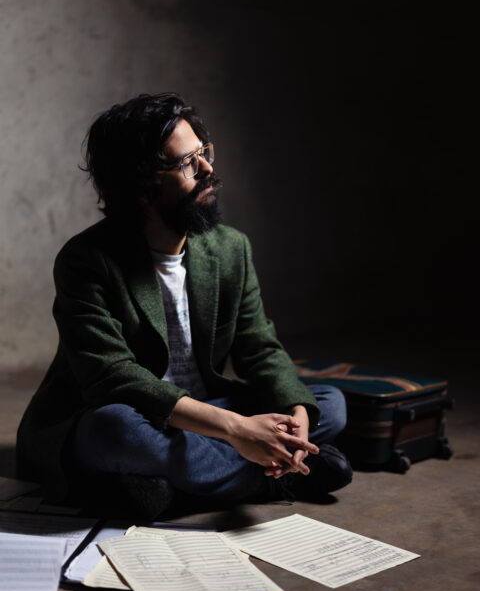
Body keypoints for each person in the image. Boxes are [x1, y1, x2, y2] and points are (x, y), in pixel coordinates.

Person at [16, 93, 352, 519]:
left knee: (329, 403)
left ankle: (167, 485)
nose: (208, 169)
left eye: (204, 153)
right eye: (188, 163)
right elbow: (113, 377)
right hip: (133, 414)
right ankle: (277, 478)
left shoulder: (230, 248)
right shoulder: (86, 261)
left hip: (205, 411)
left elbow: (260, 348)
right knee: (113, 430)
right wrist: (238, 429)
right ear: (142, 186)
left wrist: (296, 414)